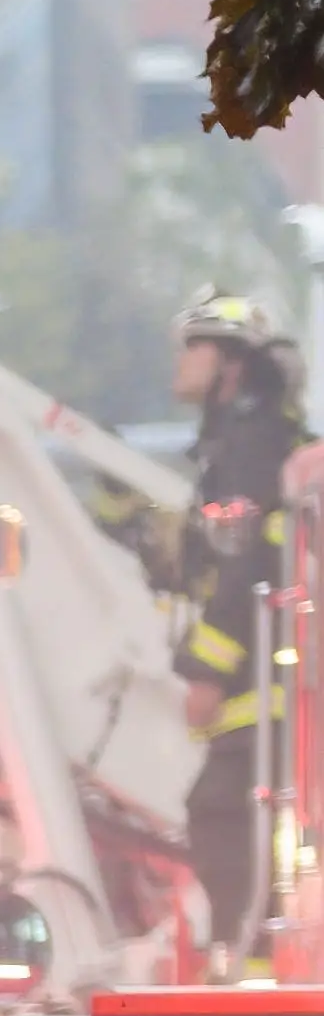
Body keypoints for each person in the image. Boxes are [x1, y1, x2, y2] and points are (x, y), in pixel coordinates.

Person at [173, 292, 303, 956]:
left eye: (192, 344)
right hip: (263, 685)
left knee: (227, 816)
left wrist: (205, 668)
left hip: (261, 685)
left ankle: (251, 967)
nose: (179, 360)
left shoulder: (252, 445)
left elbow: (248, 563)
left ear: (228, 361)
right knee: (232, 818)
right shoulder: (237, 443)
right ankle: (247, 957)